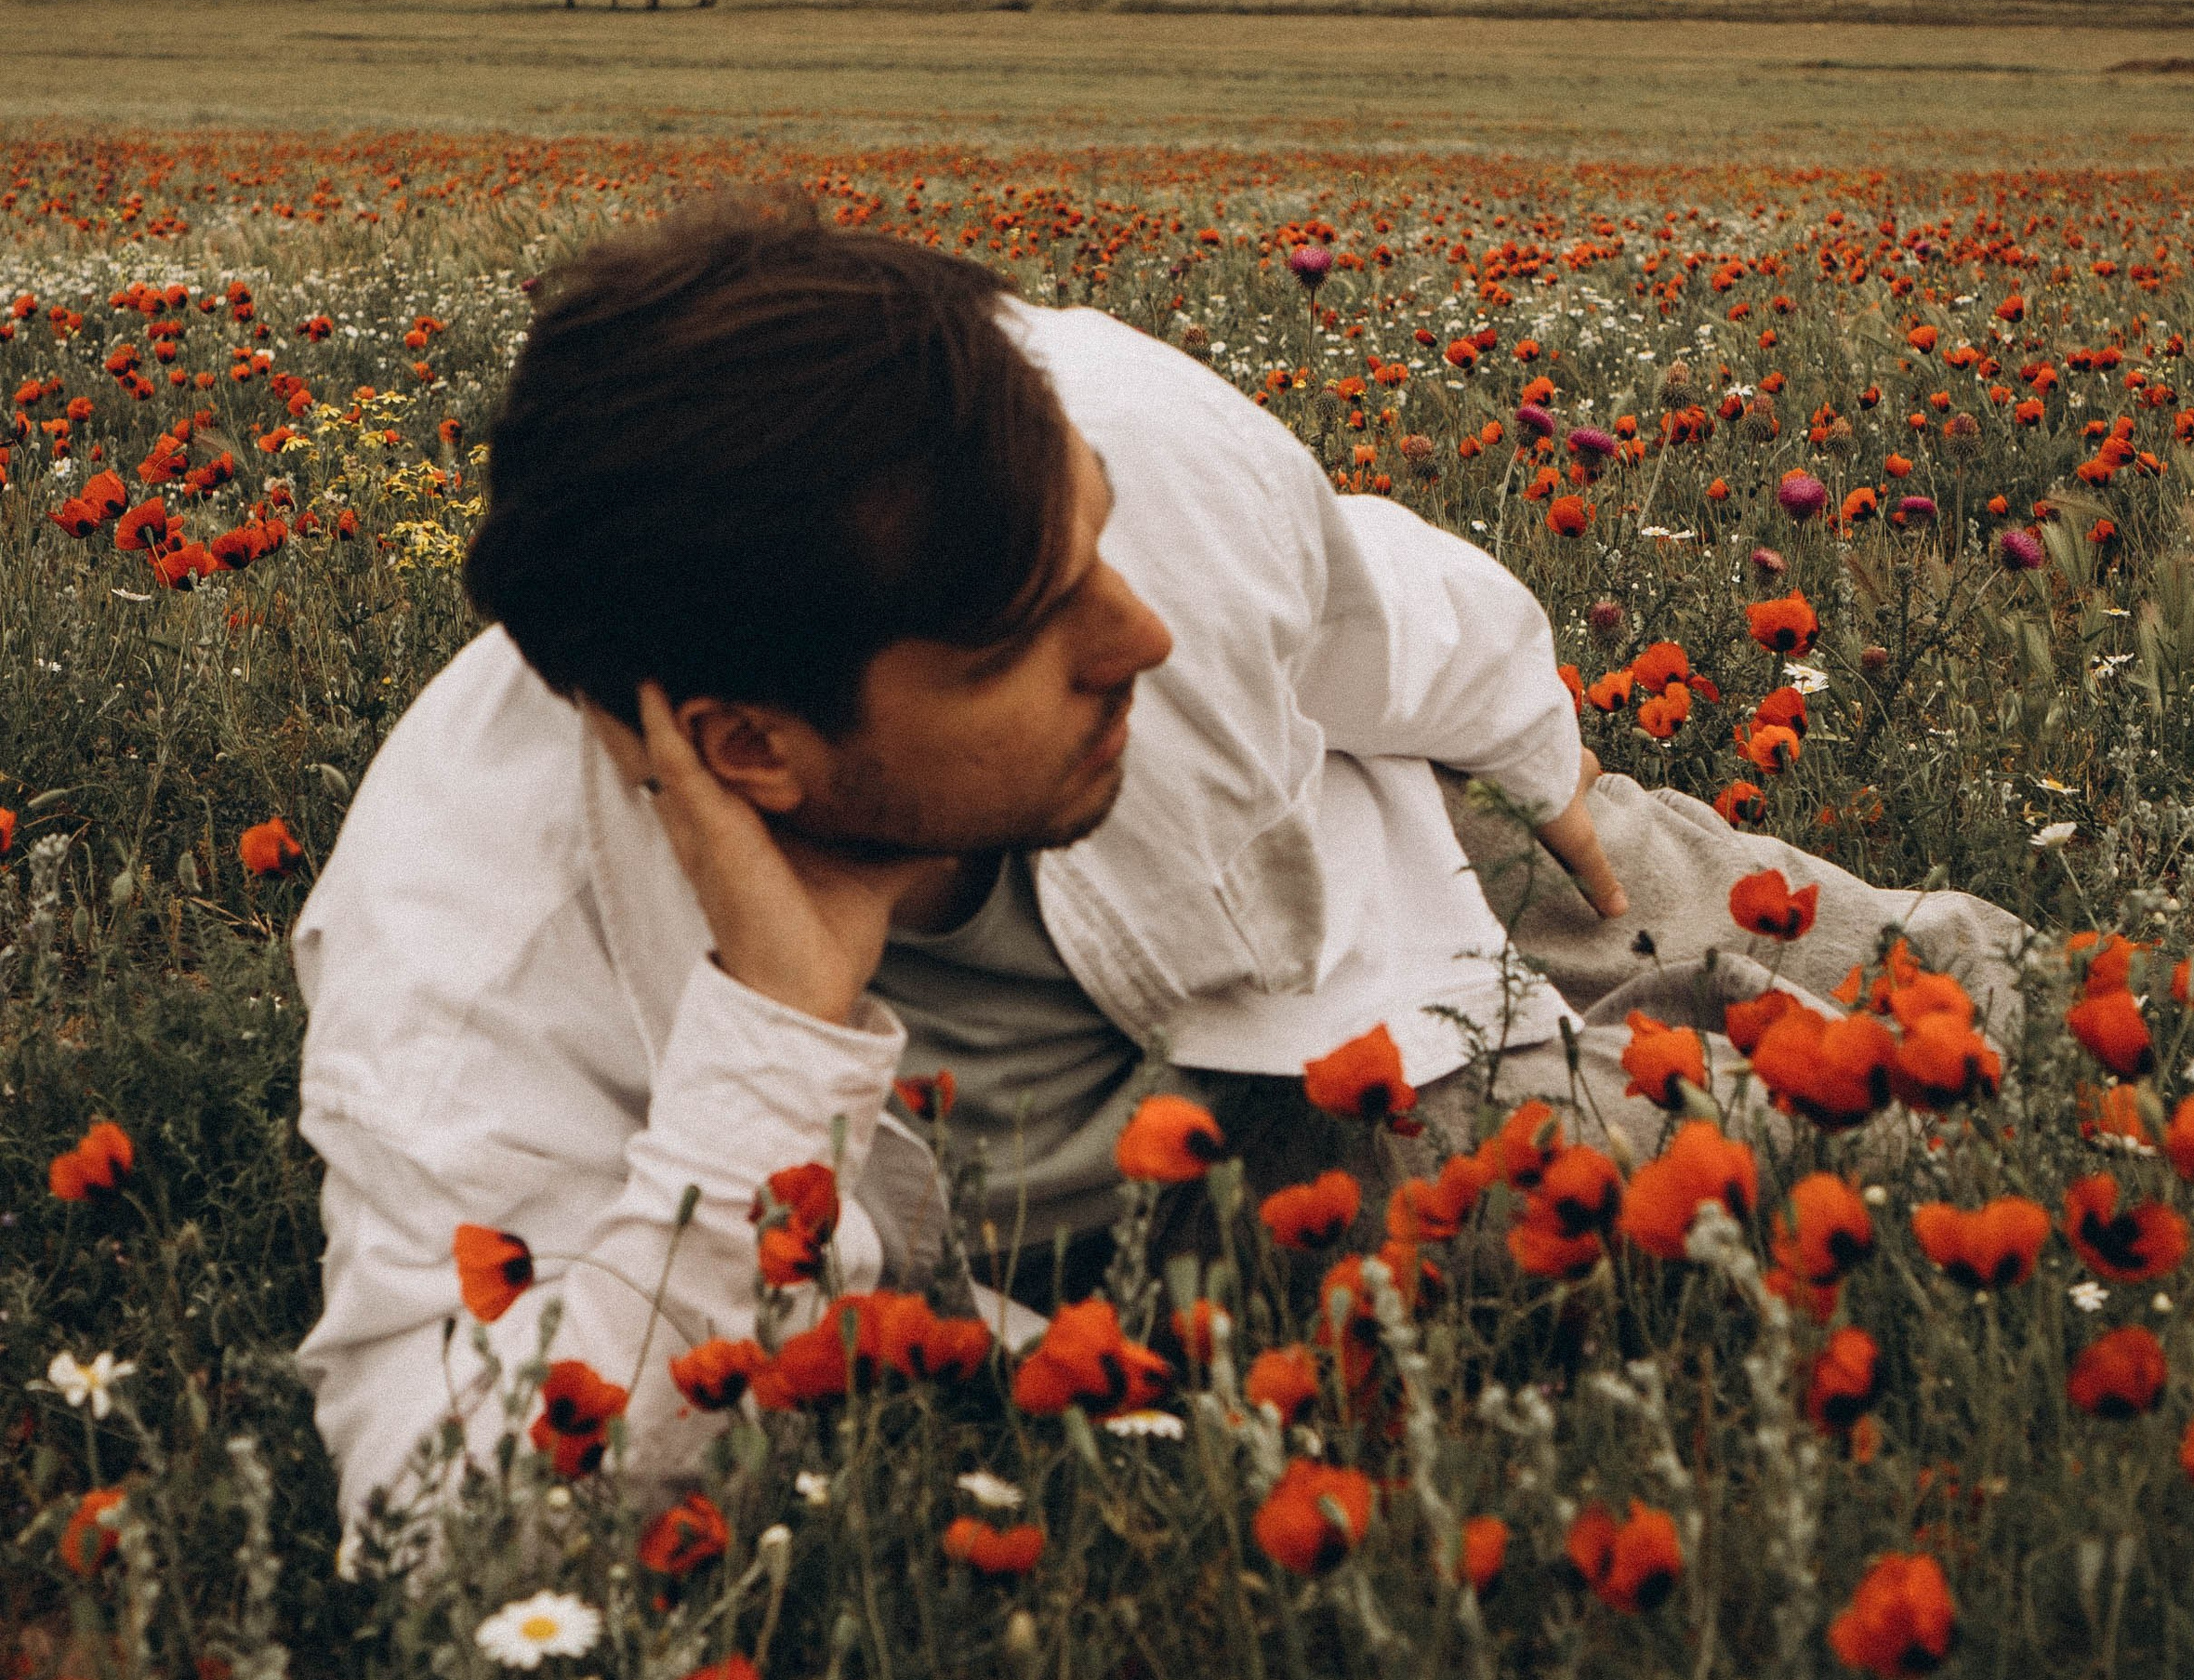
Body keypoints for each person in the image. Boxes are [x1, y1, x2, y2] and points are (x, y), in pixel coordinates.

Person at [294, 202, 2023, 1540]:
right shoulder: (472, 956)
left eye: (1099, 540)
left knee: (1948, 987)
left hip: (1345, 879)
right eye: (1022, 634)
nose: (1140, 629)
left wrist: (1568, 786)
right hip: (1222, 1177)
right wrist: (773, 1043)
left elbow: (1371, 604)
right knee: (1735, 1153)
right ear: (753, 746)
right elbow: (455, 1532)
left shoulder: (1107, 453)